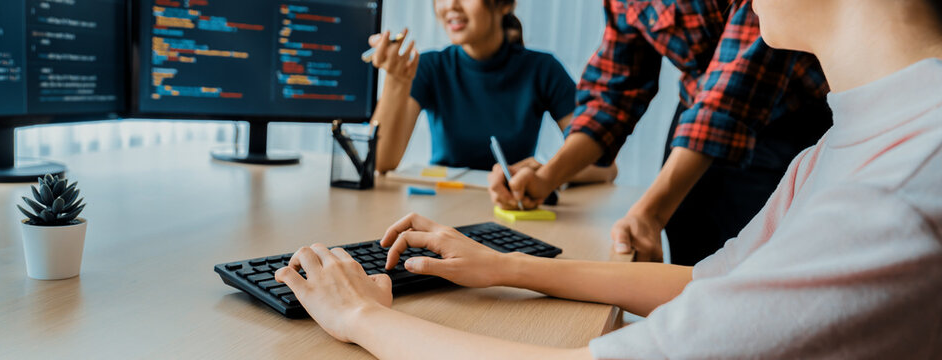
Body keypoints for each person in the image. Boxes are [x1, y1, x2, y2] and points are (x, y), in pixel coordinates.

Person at [274, 0, 942, 357]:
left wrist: (360, 316)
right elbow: (715, 286)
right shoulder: (844, 147)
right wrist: (507, 265)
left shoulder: (889, 197)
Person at [488, 0, 833, 264]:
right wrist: (547, 177)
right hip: (698, 116)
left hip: (796, 120)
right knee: (686, 236)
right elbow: (611, 96)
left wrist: (650, 213)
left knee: (761, 261)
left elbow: (733, 92)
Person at [370, 0, 616, 183]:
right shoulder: (430, 67)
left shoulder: (543, 69)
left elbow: (605, 165)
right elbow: (381, 161)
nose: (451, 6)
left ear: (505, 4)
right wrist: (395, 79)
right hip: (441, 206)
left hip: (513, 213)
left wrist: (545, 172)